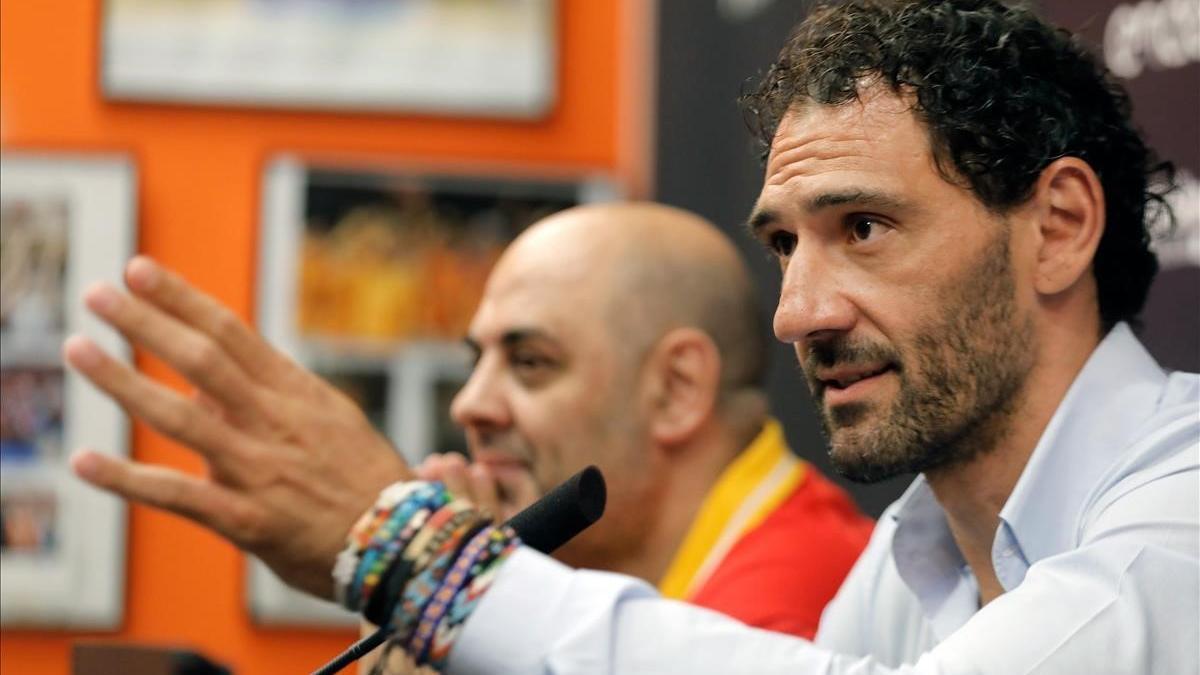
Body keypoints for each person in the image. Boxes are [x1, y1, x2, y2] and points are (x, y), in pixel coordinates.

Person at [64, 0, 1197, 673]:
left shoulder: (1182, 500)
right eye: (786, 247)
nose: (800, 310)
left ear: (1057, 228)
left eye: (863, 227)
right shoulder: (917, 557)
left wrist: (427, 563)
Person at [412, 203, 871, 636]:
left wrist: (458, 615)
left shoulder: (779, 623)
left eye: (530, 362)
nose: (469, 405)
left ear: (677, 388)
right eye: (476, 361)